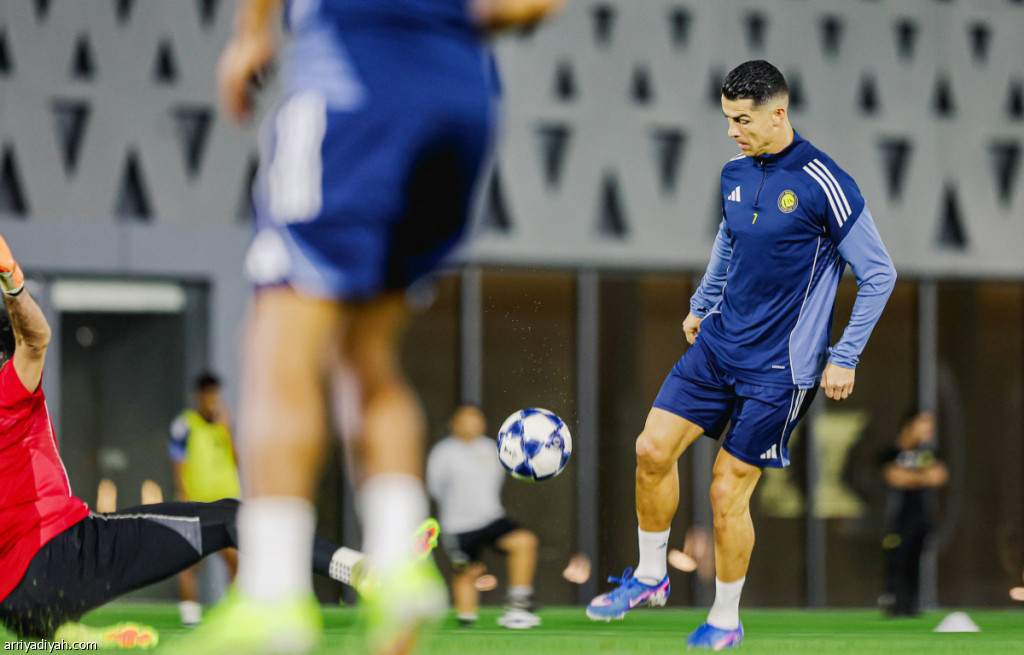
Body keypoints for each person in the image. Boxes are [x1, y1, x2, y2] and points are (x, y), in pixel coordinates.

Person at [171, 1, 564, 653]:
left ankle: (272, 598)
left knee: (276, 343)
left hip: (352, 85)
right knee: (366, 352)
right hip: (461, 102)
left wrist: (251, 35)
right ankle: (402, 568)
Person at [585, 60, 897, 650]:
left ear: (778, 113)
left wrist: (846, 355)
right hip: (718, 346)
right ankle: (651, 578)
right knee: (651, 450)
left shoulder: (825, 181)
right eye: (727, 118)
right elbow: (729, 241)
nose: (732, 131)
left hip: (780, 369)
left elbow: (879, 273)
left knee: (726, 490)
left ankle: (725, 620)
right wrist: (702, 303)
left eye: (742, 120)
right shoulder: (734, 171)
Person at [0, 233, 428, 648]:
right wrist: (12, 281)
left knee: (38, 632)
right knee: (230, 518)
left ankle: (78, 641)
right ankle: (360, 571)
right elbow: (34, 340)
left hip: (14, 604)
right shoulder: (7, 392)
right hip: (60, 553)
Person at [426, 405, 540, 629]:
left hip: (491, 518)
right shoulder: (443, 453)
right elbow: (434, 487)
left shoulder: (492, 449)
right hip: (458, 526)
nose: (471, 424)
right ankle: (466, 621)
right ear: (454, 423)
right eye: (465, 419)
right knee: (468, 573)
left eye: (476, 419)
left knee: (524, 541)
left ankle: (519, 601)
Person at [168, 372, 242, 627]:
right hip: (198, 505)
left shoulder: (225, 423)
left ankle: (232, 614)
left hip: (226, 505)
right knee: (190, 561)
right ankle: (190, 615)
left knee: (236, 561)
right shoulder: (185, 425)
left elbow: (238, 461)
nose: (213, 400)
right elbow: (178, 464)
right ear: (199, 396)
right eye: (208, 395)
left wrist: (228, 432)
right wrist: (184, 497)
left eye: (215, 395)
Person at [879, 409, 948, 617]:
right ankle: (893, 601)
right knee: (897, 558)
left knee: (915, 560)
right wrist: (922, 477)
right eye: (923, 425)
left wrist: (911, 478)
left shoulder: (927, 454)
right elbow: (895, 477)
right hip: (897, 518)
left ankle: (911, 603)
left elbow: (939, 476)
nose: (929, 431)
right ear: (909, 426)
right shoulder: (891, 452)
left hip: (921, 518)